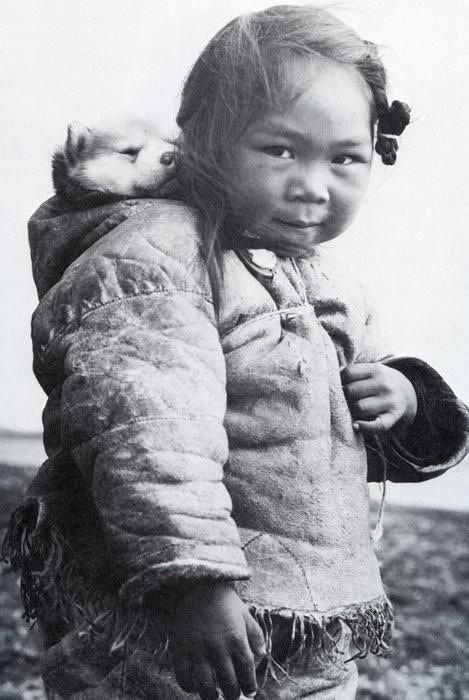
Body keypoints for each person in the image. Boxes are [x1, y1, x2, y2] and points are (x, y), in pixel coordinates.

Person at [3, 5, 468, 699]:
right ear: (203, 143)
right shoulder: (157, 254)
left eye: (344, 158)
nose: (313, 184)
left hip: (306, 605)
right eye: (279, 150)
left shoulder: (326, 280)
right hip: (165, 612)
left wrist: (401, 402)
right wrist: (192, 582)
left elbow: (342, 431)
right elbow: (145, 429)